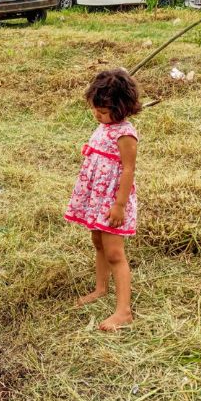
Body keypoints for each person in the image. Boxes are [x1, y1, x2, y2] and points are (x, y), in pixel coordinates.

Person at [64, 69, 141, 332]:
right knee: (97, 242)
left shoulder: (126, 135)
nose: (97, 114)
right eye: (95, 109)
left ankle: (124, 311)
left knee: (115, 253)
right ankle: (100, 288)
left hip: (112, 202)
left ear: (122, 108)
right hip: (97, 199)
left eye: (104, 110)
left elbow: (128, 170)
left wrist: (119, 205)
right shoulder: (104, 125)